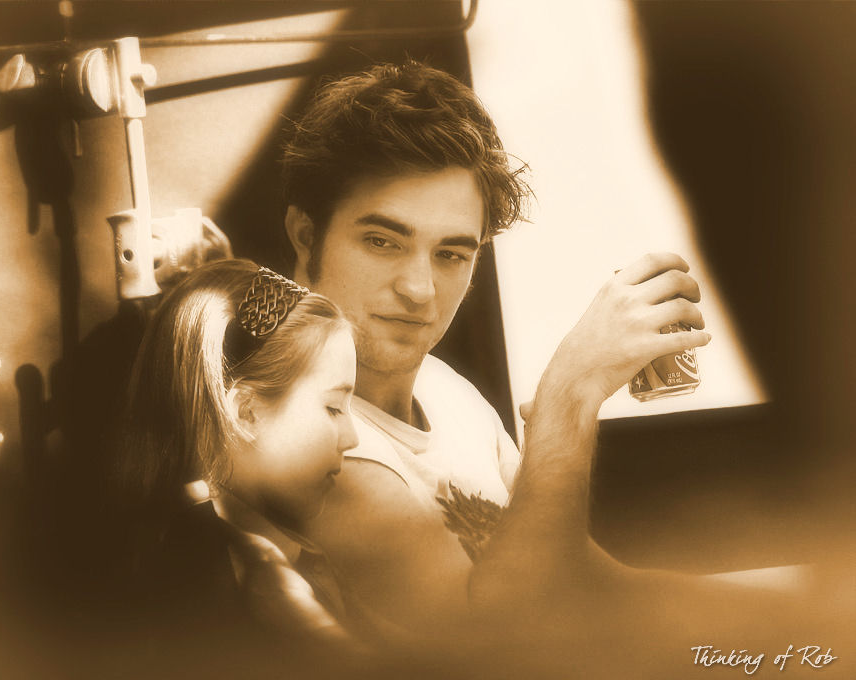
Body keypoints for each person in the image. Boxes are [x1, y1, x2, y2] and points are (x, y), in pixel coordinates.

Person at [276, 62, 835, 656]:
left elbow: (587, 583)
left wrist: (803, 615)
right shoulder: (301, 432)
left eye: (451, 254)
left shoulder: (444, 389)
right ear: (306, 235)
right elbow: (512, 642)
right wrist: (569, 394)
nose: (419, 289)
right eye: (382, 241)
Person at [113, 258, 365, 667]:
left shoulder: (294, 551)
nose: (352, 438)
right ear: (246, 412)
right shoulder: (199, 591)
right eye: (334, 408)